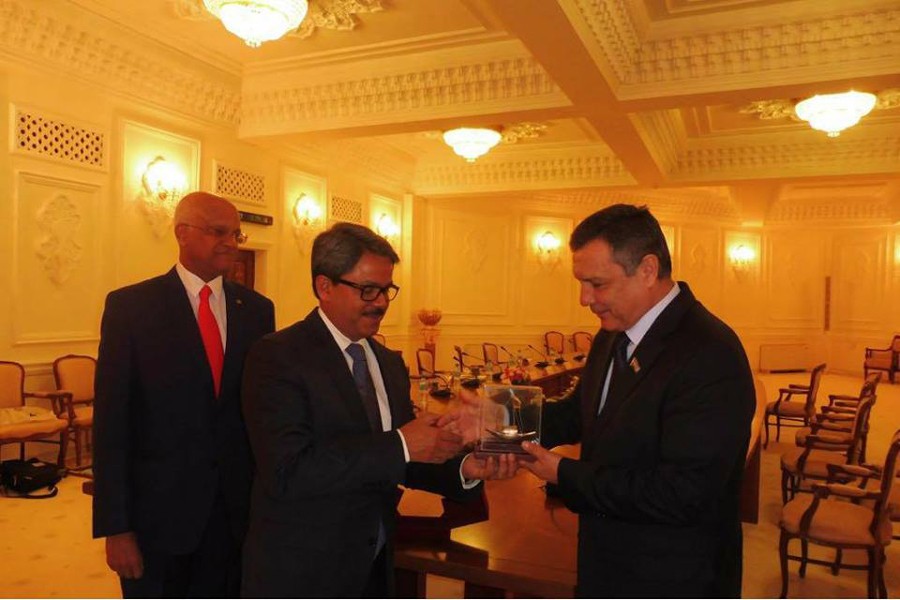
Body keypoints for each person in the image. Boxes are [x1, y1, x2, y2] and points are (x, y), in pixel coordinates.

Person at [240, 222, 515, 598]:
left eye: (386, 290)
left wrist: (466, 468)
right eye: (368, 289)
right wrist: (402, 443)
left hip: (376, 559)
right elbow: (289, 470)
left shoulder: (387, 362)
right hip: (302, 570)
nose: (382, 302)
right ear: (324, 287)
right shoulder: (278, 356)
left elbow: (403, 457)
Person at [519, 204, 755, 598]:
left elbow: (682, 494)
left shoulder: (710, 351)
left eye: (597, 283)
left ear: (647, 270)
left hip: (673, 577)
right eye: (581, 283)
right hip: (607, 562)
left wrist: (563, 473)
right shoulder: (612, 334)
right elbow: (581, 414)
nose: (584, 298)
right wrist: (503, 414)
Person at [92, 192, 275, 598]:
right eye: (218, 231)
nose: (230, 241)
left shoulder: (258, 310)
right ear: (182, 233)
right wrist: (116, 528)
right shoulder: (131, 308)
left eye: (236, 234)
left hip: (234, 518)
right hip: (157, 520)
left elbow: (259, 413)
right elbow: (112, 425)